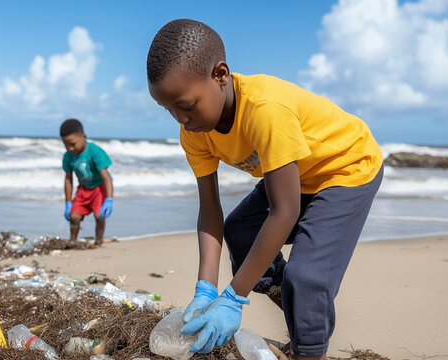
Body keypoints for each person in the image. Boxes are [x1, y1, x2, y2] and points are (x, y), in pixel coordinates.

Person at [146, 19, 383, 360]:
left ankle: (308, 351)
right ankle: (299, 308)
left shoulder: (265, 110)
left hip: (347, 168)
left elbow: (284, 212)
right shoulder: (195, 130)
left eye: (186, 105)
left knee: (306, 275)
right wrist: (206, 288)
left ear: (220, 74)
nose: (181, 120)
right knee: (239, 230)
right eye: (168, 110)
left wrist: (233, 297)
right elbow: (210, 211)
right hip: (300, 173)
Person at [60, 118, 114, 245]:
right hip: (83, 189)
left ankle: (99, 241)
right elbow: (68, 179)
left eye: (73, 144)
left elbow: (106, 178)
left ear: (84, 137)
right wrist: (68, 203)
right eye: (66, 145)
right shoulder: (67, 156)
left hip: (99, 188)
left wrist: (109, 199)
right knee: (74, 217)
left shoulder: (95, 152)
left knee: (99, 216)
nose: (70, 148)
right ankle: (72, 241)